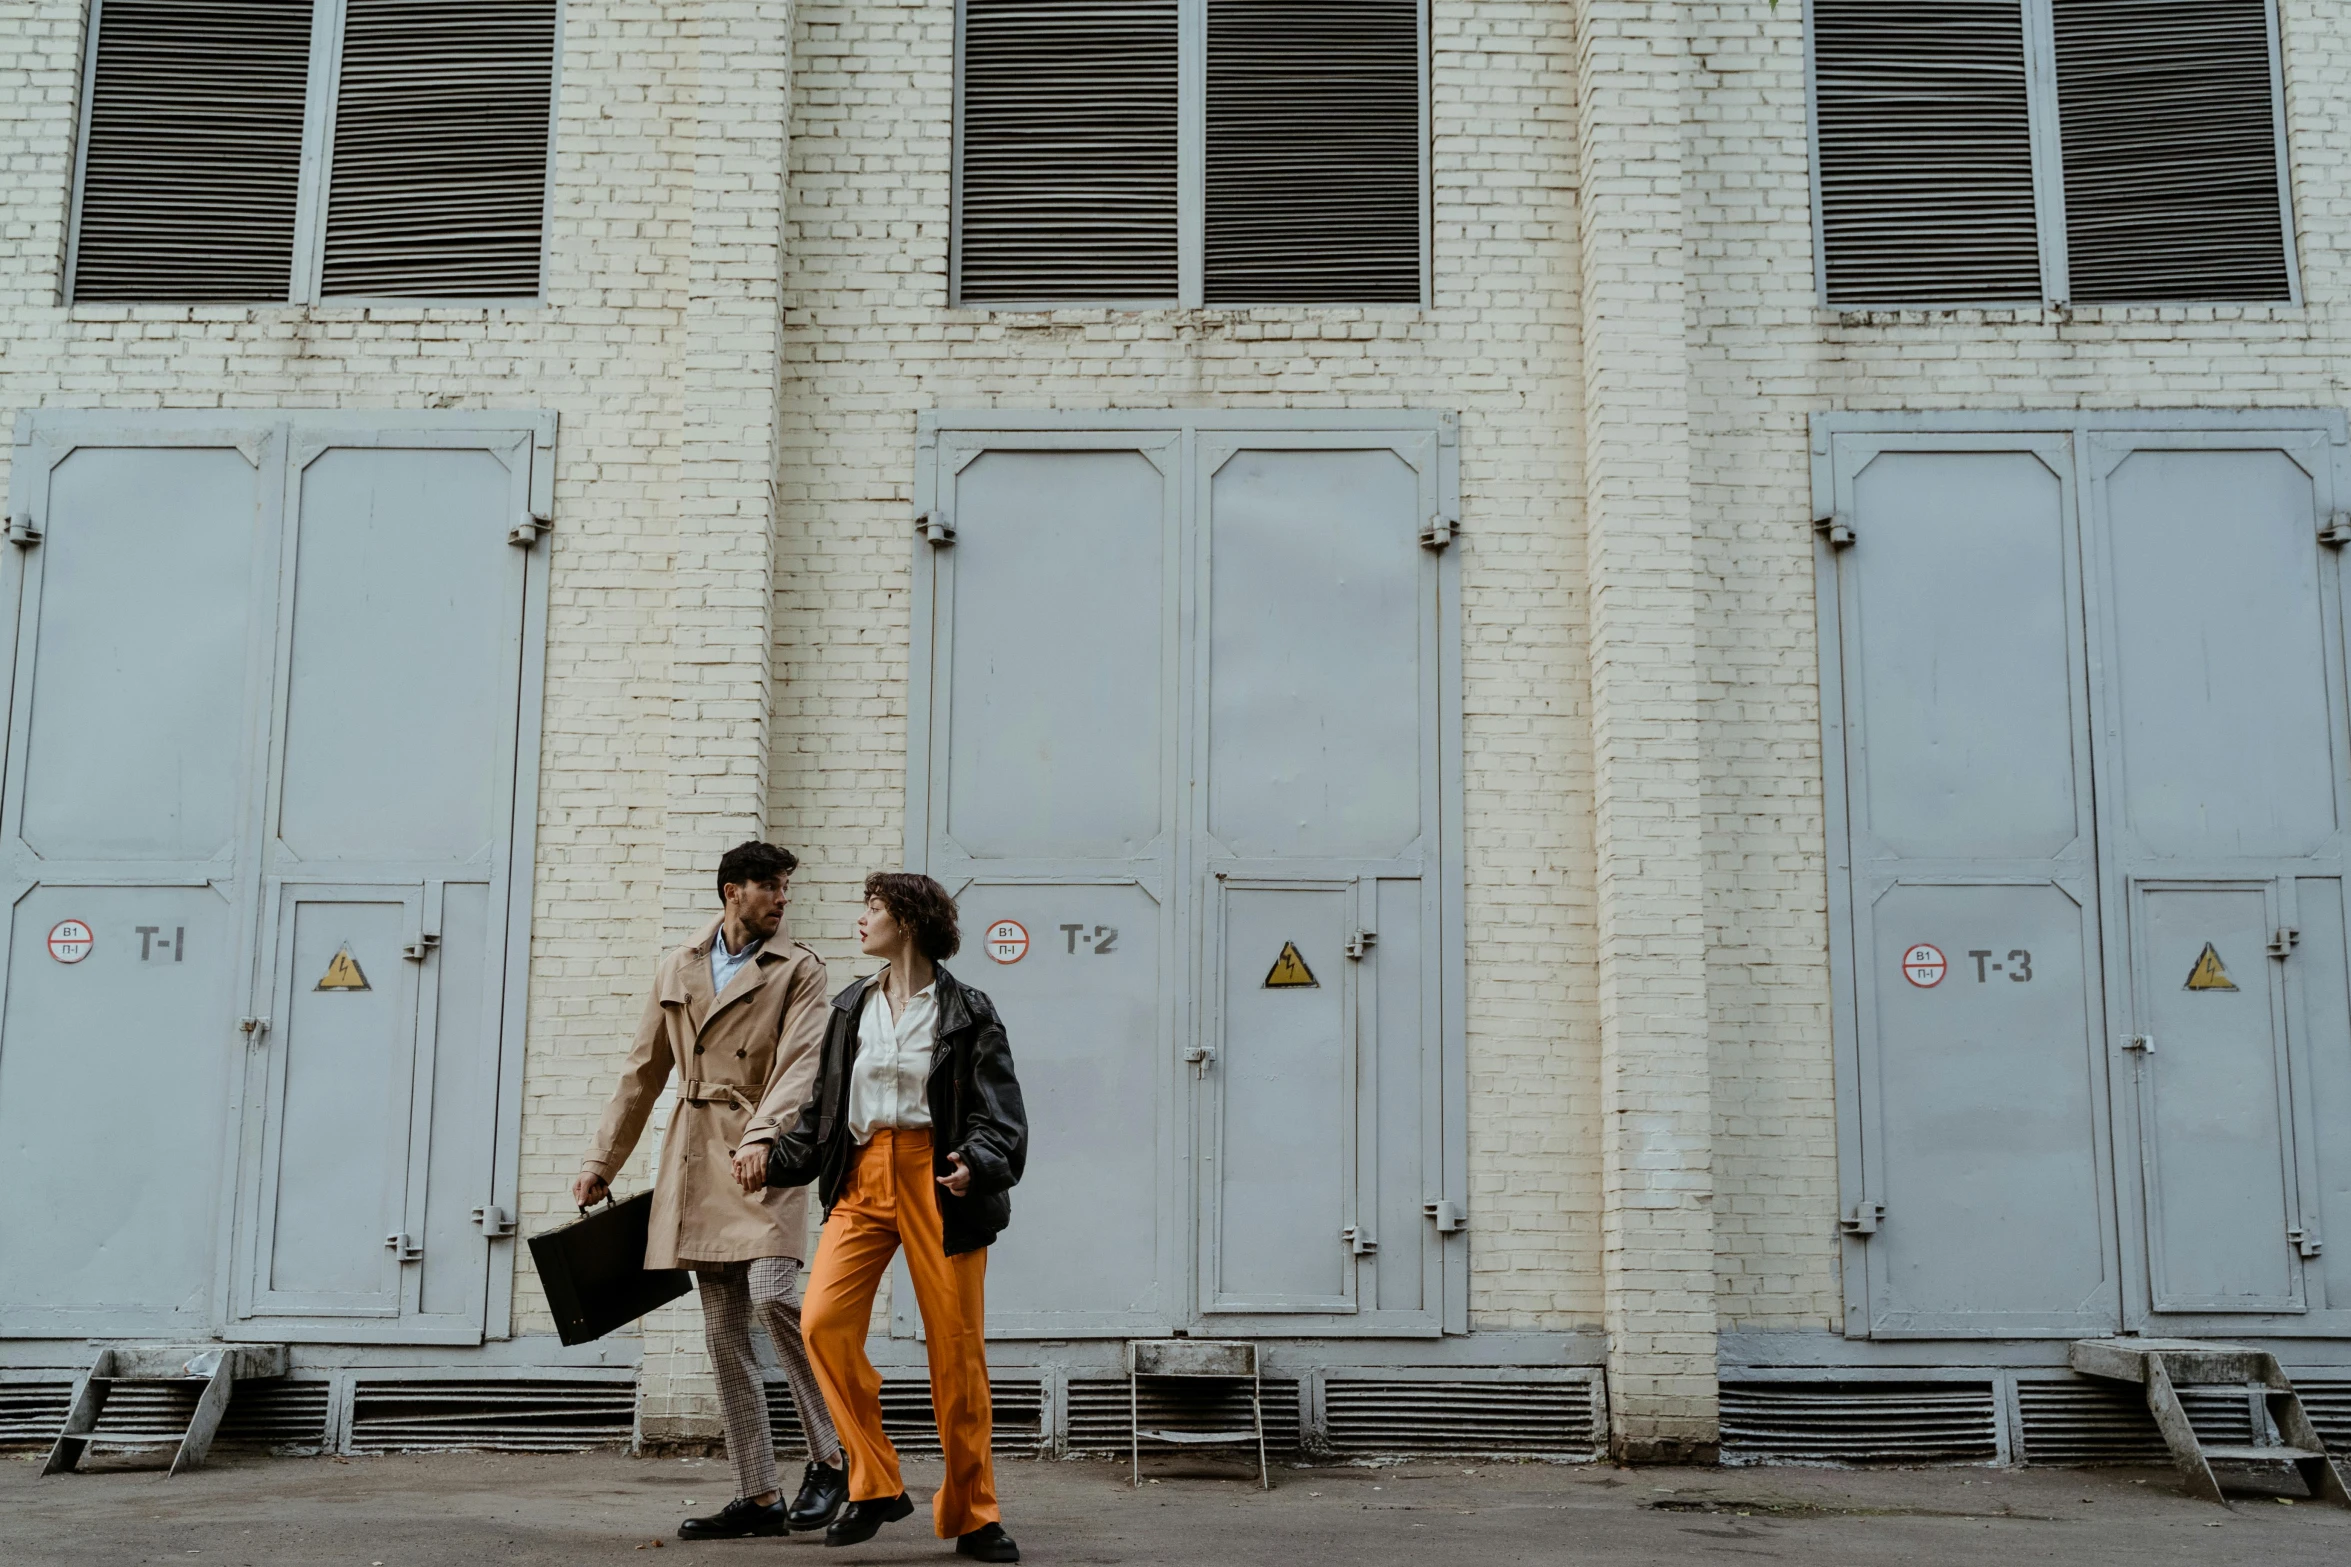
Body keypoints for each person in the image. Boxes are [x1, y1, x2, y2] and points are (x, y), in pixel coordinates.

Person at [574, 841, 848, 1540]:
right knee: (724, 1334)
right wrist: (602, 1160)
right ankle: (757, 1494)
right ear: (733, 890)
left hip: (766, 1156)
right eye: (770, 886)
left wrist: (761, 1137)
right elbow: (642, 1071)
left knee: (774, 1296)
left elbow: (801, 1066)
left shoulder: (801, 968)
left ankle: (834, 1454)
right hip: (696, 1158)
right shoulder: (679, 964)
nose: (781, 898)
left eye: (786, 887)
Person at [767, 872, 1028, 1562]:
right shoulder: (851, 1004)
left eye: (872, 908)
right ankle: (875, 1478)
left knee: (956, 1352)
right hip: (860, 1174)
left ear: (907, 921)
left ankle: (974, 1513)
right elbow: (825, 1107)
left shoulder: (967, 1010)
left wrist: (976, 1159)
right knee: (821, 1322)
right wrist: (770, 1154)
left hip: (936, 1179)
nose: (860, 919)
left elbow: (999, 1113)